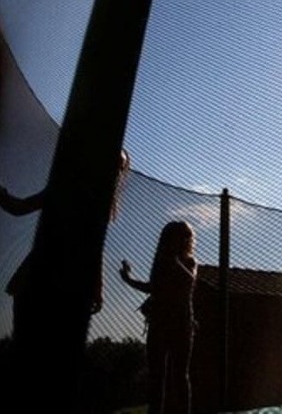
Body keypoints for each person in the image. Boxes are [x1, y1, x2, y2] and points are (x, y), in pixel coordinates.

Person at [1, 148, 130, 338]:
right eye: (112, 164)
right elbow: (19, 207)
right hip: (39, 277)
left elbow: (95, 249)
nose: (116, 172)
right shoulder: (65, 189)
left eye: (120, 167)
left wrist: (98, 288)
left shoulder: (99, 205)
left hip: (66, 285)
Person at [120, 220, 198, 414]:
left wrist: (173, 260)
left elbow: (189, 281)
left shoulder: (189, 262)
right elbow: (153, 288)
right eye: (180, 236)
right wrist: (128, 279)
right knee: (157, 376)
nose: (185, 240)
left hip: (182, 323)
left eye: (186, 236)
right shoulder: (161, 263)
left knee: (180, 375)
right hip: (159, 322)